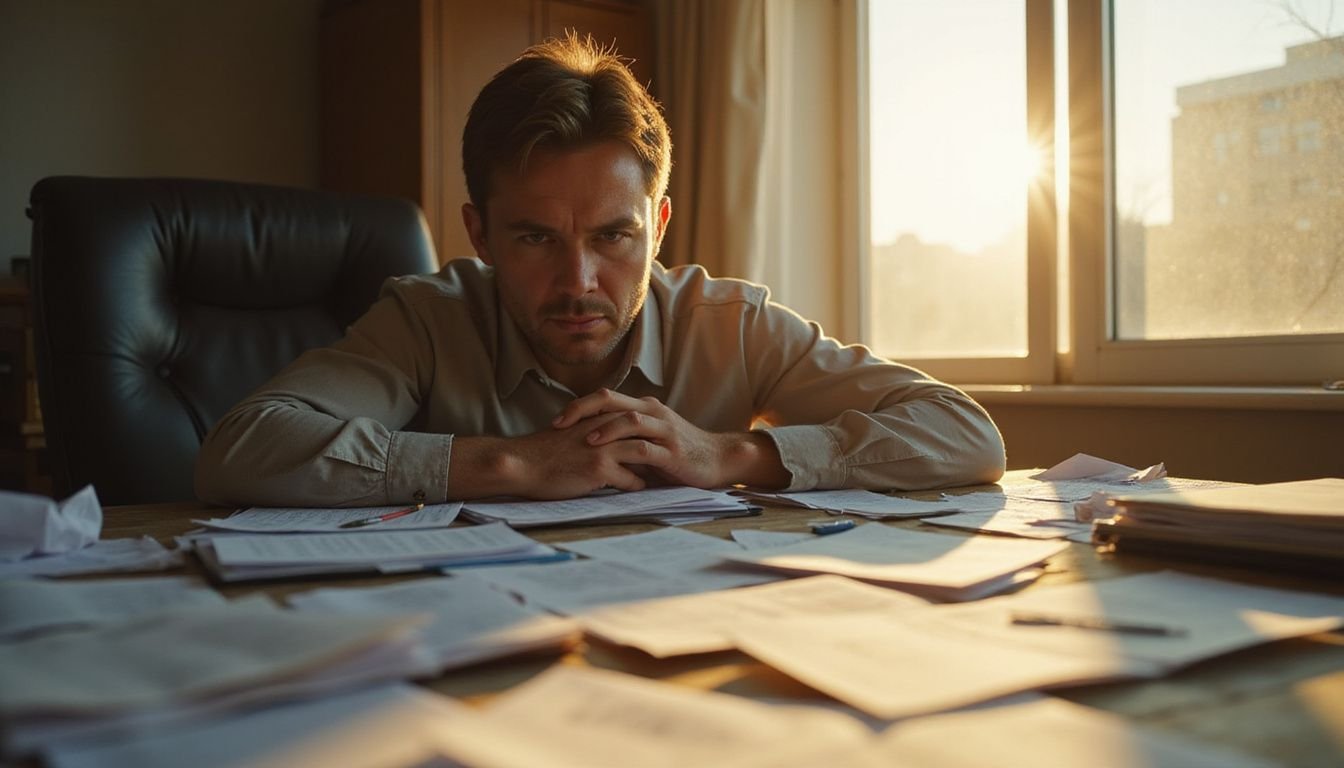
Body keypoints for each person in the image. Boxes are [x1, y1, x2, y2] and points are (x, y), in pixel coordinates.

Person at [195, 35, 1005, 508]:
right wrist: (509, 464)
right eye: (537, 239)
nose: (580, 281)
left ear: (657, 226)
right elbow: (239, 448)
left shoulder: (729, 322)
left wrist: (733, 456)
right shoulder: (426, 320)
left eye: (614, 237)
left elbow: (967, 435)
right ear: (479, 233)